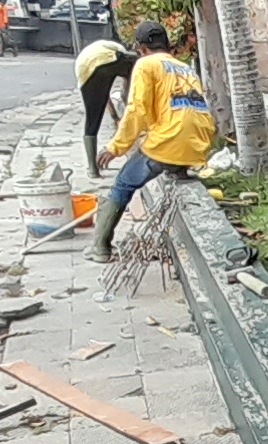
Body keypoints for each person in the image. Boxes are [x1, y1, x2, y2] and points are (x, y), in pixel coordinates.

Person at [87, 20, 215, 263]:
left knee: (123, 184)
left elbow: (137, 111)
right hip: (197, 145)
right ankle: (179, 171)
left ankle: (100, 248)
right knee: (169, 157)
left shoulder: (146, 64)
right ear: (166, 45)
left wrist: (115, 147)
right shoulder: (185, 68)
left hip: (168, 144)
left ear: (140, 47)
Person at [74, 34, 132, 179]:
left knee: (93, 118)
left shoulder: (90, 55)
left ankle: (93, 169)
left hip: (85, 69)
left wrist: (114, 116)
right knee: (136, 70)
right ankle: (133, 109)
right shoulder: (118, 49)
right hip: (110, 58)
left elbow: (103, 96)